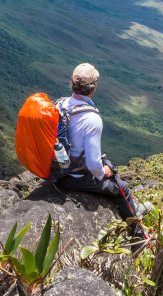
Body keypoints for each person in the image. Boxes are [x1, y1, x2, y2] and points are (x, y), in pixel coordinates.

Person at [55, 63, 148, 229]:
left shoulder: (60, 104)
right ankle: (138, 236)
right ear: (94, 86)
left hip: (57, 171)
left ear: (72, 83)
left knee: (111, 168)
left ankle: (135, 209)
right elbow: (92, 164)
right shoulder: (91, 119)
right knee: (122, 188)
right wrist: (102, 172)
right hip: (73, 178)